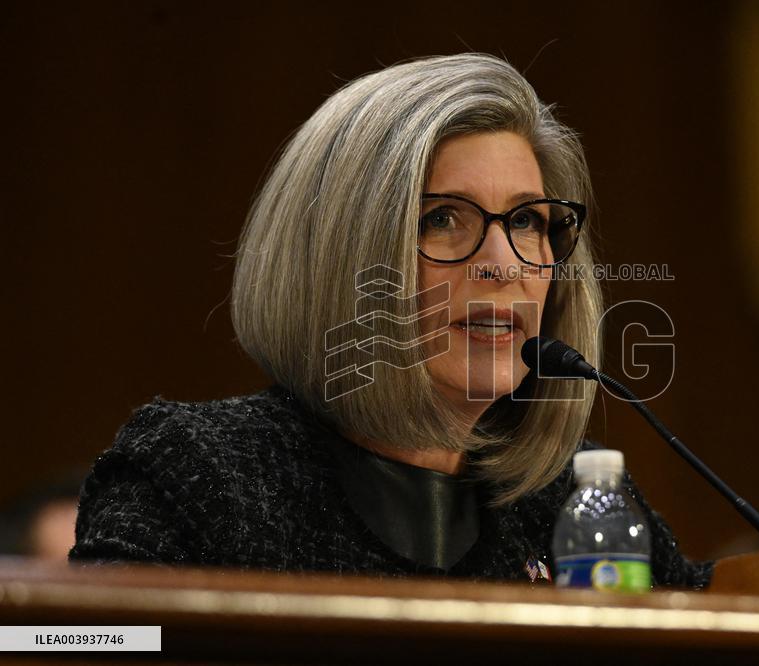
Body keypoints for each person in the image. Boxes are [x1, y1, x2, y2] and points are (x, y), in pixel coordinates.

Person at [70, 53, 712, 589]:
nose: (501, 265)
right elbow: (69, 644)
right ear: (343, 259)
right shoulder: (201, 473)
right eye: (441, 219)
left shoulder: (577, 502)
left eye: (525, 221)